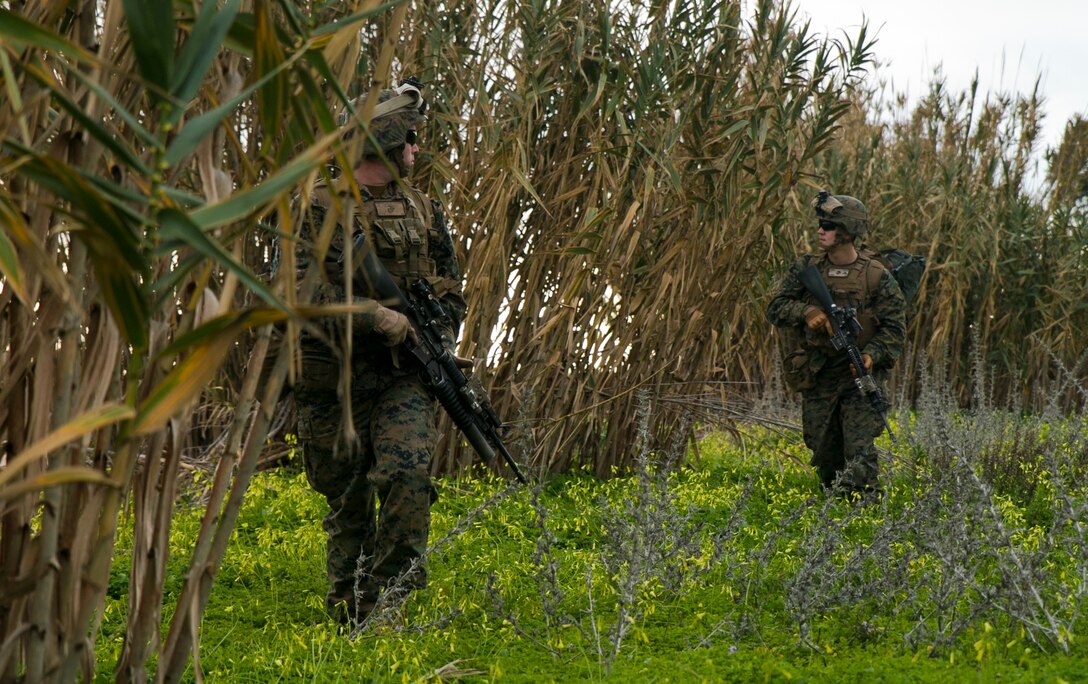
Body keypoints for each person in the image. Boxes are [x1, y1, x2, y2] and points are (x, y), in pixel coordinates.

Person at [293, 78, 467, 624]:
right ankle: (349, 612)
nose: (418, 149)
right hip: (333, 378)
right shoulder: (318, 208)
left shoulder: (424, 209)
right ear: (386, 142)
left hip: (402, 375)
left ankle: (389, 603)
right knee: (347, 506)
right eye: (411, 138)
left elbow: (450, 286)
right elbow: (295, 294)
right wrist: (375, 316)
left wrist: (440, 339)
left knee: (408, 478)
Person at [766, 191, 906, 497]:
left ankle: (863, 508)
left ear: (847, 231)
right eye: (821, 224)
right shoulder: (807, 268)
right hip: (819, 372)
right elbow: (776, 308)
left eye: (828, 225)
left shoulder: (877, 276)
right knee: (822, 447)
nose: (820, 231)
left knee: (858, 447)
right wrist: (808, 312)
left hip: (858, 376)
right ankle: (832, 505)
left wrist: (871, 354)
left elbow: (895, 330)